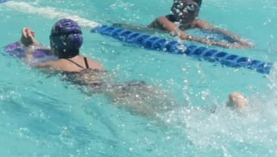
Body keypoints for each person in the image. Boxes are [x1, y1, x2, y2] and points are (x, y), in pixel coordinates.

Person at [14, 20, 243, 118]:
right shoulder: (92, 61)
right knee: (180, 109)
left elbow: (30, 64)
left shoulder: (56, 64)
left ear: (55, 43)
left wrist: (27, 47)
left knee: (167, 123)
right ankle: (222, 110)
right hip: (131, 85)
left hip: (116, 95)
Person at [146, 0, 253, 49]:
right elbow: (184, 37)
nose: (184, 11)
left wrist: (241, 41)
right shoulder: (163, 20)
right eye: (179, 5)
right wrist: (222, 44)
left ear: (197, 11)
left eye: (191, 7)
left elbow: (216, 30)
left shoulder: (196, 23)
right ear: (172, 7)